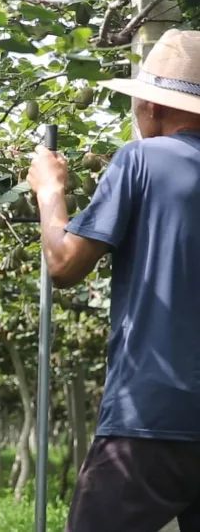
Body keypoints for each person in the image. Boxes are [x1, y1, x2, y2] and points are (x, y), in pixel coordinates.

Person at [28, 29, 200, 531]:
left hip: (150, 414)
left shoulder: (141, 159)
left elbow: (64, 264)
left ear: (150, 107)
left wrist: (49, 190)